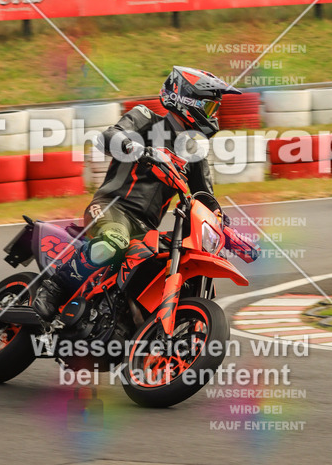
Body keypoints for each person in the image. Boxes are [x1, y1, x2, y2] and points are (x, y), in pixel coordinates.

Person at [33, 66, 240, 319]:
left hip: (146, 229)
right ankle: (53, 288)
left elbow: (206, 200)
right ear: (187, 100)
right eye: (209, 107)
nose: (213, 115)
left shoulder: (194, 153)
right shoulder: (145, 118)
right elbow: (107, 137)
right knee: (114, 241)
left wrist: (227, 230)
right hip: (112, 208)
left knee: (172, 263)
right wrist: (137, 148)